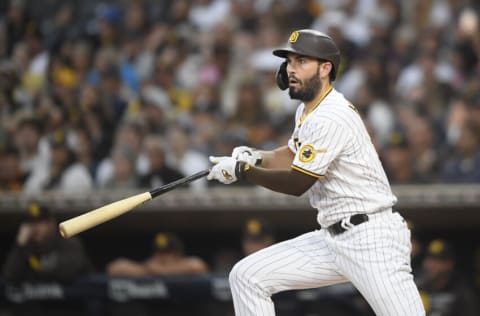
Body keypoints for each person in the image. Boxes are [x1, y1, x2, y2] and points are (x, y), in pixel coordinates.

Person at [207, 29, 425, 315]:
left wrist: (244, 171)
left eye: (301, 62)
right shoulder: (307, 110)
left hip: (371, 239)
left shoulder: (331, 116)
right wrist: (255, 156)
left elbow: (298, 181)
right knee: (246, 276)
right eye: (289, 62)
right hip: (331, 239)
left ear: (326, 68)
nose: (291, 69)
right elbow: (291, 154)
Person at [2, 202, 93, 283]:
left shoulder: (68, 242)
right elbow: (9, 275)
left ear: (51, 224)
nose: (34, 228)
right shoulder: (25, 247)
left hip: (73, 299)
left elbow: (65, 274)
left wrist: (31, 260)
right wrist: (20, 246)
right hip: (35, 301)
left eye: (39, 223)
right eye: (31, 223)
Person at [415, 239, 479, 316]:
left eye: (438, 260)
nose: (431, 265)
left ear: (450, 264)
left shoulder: (462, 293)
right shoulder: (416, 288)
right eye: (429, 259)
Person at [106, 232, 208, 276]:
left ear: (178, 254)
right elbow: (114, 268)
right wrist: (147, 269)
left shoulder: (188, 267)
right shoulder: (149, 268)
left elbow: (197, 266)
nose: (162, 257)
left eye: (167, 252)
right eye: (158, 252)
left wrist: (163, 271)